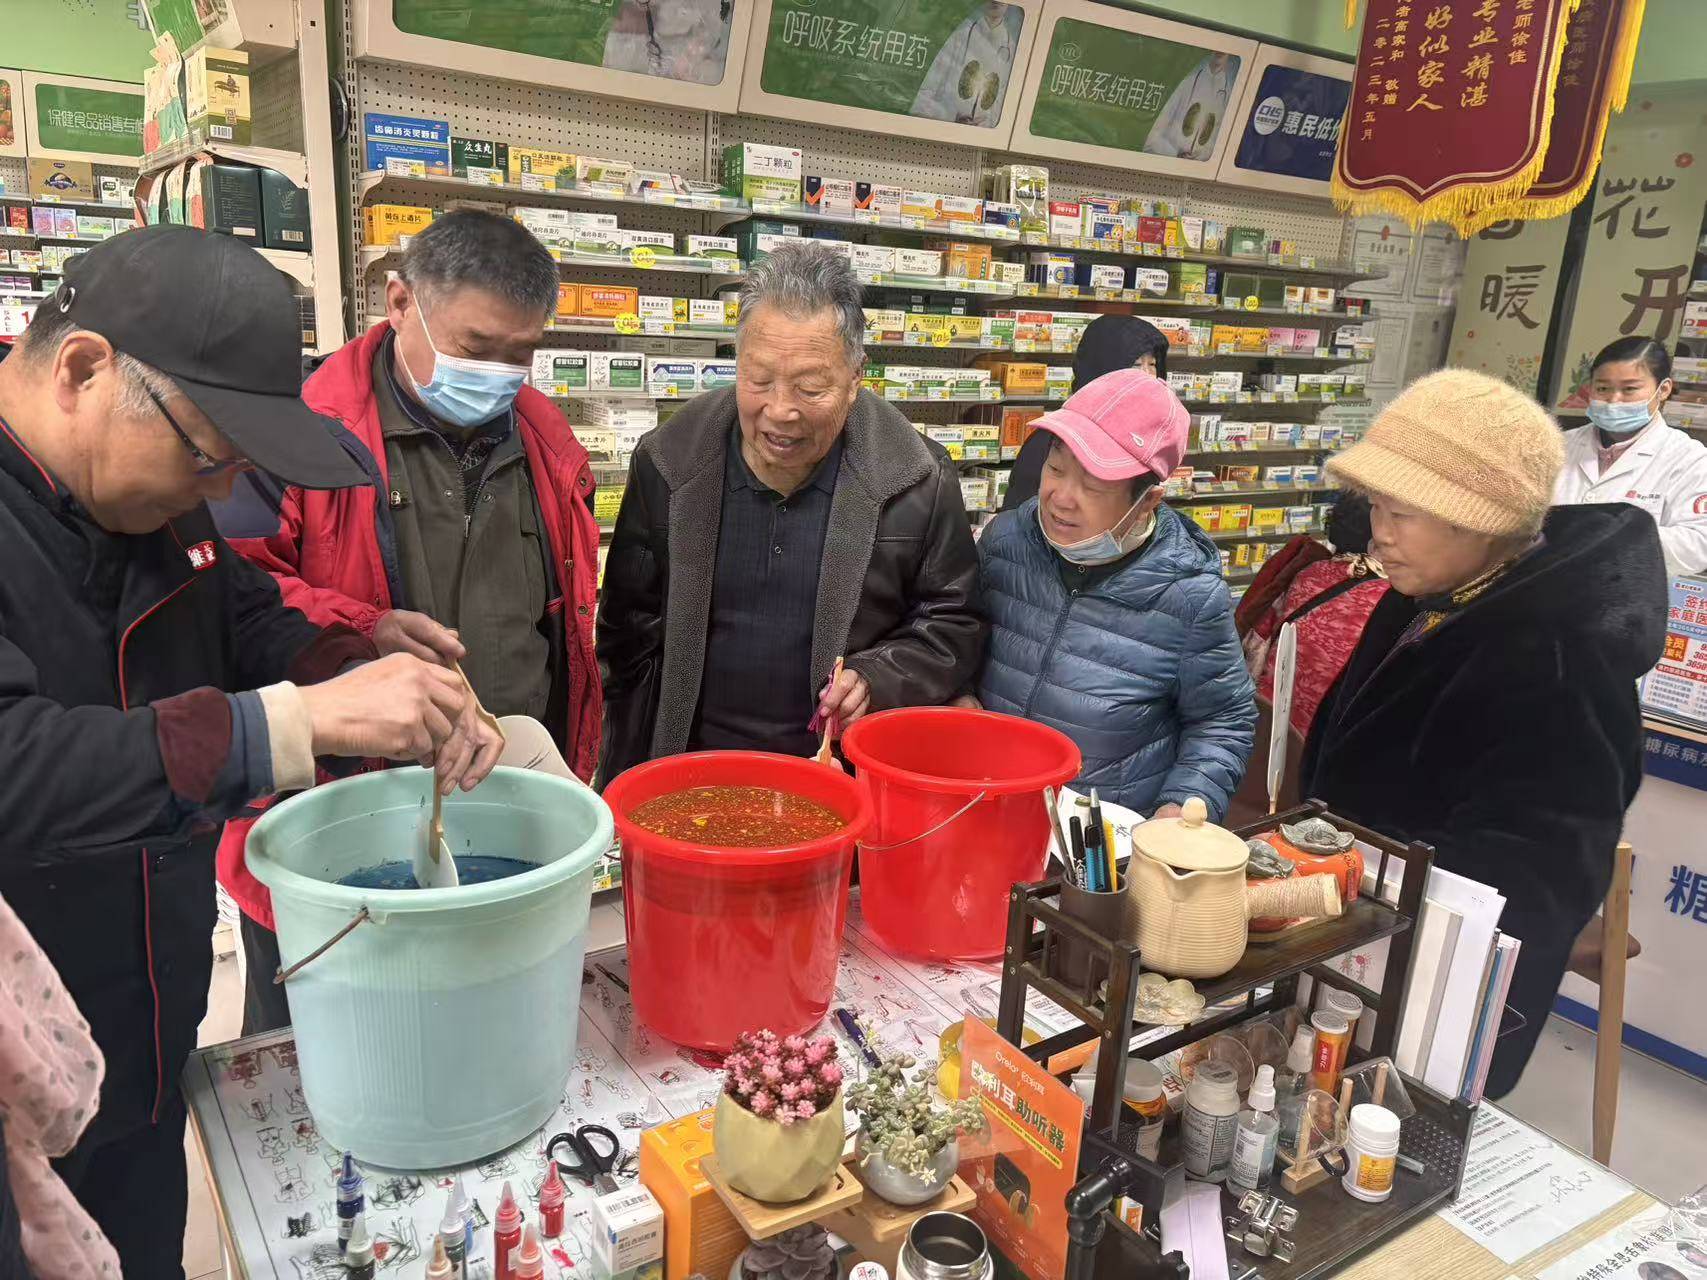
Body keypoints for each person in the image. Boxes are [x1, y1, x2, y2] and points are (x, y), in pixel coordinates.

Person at [0, 225, 499, 1278]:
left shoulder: (150, 507)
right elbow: (17, 763)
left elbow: (241, 613)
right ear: (84, 370)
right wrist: (294, 723)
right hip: (17, 1083)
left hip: (144, 1041)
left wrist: (355, 662)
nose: (215, 490)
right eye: (206, 454)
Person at [218, 208, 602, 1036]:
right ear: (399, 303)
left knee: (487, 1026)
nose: (498, 374)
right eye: (475, 346)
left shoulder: (546, 439)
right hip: (340, 821)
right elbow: (234, 592)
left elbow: (567, 616)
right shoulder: (300, 433)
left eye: (521, 353)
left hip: (506, 791)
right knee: (324, 1041)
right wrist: (364, 628)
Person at [1302, 369, 1666, 1097]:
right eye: (1375, 507)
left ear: (1482, 517)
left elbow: (1534, 869)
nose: (1378, 533)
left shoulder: (1556, 651)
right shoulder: (1432, 594)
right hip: (1352, 932)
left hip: (1423, 974)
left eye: (1402, 513)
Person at [598, 241, 986, 779]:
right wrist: (623, 768)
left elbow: (953, 622)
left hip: (838, 781)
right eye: (758, 380)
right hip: (690, 774)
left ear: (856, 379)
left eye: (810, 388)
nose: (780, 411)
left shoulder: (918, 477)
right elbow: (627, 636)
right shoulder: (668, 462)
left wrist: (877, 677)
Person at [975, 368, 1256, 819]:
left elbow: (1223, 720)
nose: (1062, 497)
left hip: (1102, 832)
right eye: (1055, 468)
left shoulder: (1188, 595)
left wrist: (1181, 806)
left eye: (1093, 485)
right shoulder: (1005, 541)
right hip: (986, 803)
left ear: (1147, 502)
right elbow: (959, 639)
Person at [1240, 493, 1390, 739]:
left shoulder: (1310, 572)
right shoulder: (1389, 598)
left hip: (1270, 717)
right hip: (1324, 735)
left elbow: (1261, 638)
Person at [1554, 336, 1707, 575]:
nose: (1613, 400)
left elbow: (1697, 545)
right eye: (1602, 388)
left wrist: (1610, 538)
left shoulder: (1689, 459)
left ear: (1663, 389)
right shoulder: (1557, 445)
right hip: (1548, 584)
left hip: (1628, 590)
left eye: (1629, 389)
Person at [1001, 314, 1172, 512]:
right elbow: (1018, 521)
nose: (1147, 375)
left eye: (1152, 365)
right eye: (1135, 365)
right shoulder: (1054, 441)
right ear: (1102, 368)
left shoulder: (1143, 438)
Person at [910, 2, 1024, 127]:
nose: (996, 1)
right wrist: (950, 117)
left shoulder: (1013, 51)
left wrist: (984, 125)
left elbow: (1007, 111)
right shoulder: (959, 37)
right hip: (946, 129)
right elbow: (926, 92)